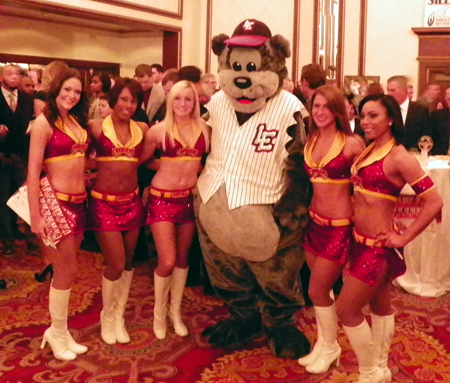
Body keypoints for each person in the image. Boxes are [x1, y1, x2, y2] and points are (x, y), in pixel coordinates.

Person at [336, 94, 443, 382]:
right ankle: (380, 368)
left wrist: (405, 236)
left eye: (373, 116)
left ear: (391, 119)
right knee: (380, 306)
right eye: (363, 115)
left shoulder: (399, 157)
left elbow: (434, 201)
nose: (365, 121)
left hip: (378, 249)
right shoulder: (369, 150)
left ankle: (369, 371)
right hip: (360, 243)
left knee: (346, 309)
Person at [297, 85, 365, 374]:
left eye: (326, 106)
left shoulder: (352, 144)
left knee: (316, 289)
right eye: (316, 107)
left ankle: (331, 346)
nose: (320, 112)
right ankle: (326, 344)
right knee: (320, 291)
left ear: (337, 109)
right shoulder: (311, 138)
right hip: (314, 225)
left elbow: (365, 189)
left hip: (339, 228)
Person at [28, 68, 90, 361]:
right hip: (57, 203)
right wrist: (34, 215)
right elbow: (32, 170)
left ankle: (61, 332)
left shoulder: (74, 121)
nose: (71, 95)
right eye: (67, 89)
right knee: (66, 270)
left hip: (79, 203)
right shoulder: (43, 123)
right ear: (56, 90)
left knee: (70, 269)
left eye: (77, 91)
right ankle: (56, 331)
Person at [140, 80, 209, 340]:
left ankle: (175, 313)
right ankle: (159, 314)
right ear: (170, 101)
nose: (182, 104)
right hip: (161, 199)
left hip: (188, 201)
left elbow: (207, 163)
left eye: (188, 99)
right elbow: (143, 160)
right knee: (166, 261)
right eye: (178, 99)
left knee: (182, 261)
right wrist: (168, 167)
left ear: (196, 102)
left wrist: (191, 169)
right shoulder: (158, 131)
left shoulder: (204, 130)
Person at [86, 78, 148, 345]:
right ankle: (106, 316)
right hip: (103, 204)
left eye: (133, 100)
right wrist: (88, 171)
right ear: (113, 100)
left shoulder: (143, 128)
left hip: (132, 202)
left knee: (129, 264)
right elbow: (78, 155)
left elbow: (141, 159)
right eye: (123, 99)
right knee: (116, 263)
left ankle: (119, 316)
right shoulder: (96, 127)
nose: (128, 105)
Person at [0, 64, 34, 256]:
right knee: (3, 198)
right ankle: (8, 240)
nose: (14, 77)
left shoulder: (27, 98)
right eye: (9, 74)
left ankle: (30, 238)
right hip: (1, 154)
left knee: (24, 197)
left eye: (17, 74)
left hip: (21, 154)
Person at [386, 75, 430, 151]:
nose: (389, 94)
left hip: (413, 154)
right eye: (388, 90)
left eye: (392, 90)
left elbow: (426, 135)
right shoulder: (386, 109)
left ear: (404, 90)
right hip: (390, 153)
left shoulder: (420, 110)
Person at [430, 86, 450, 155]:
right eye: (449, 99)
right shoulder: (436, 116)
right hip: (440, 157)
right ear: (446, 99)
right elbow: (430, 138)